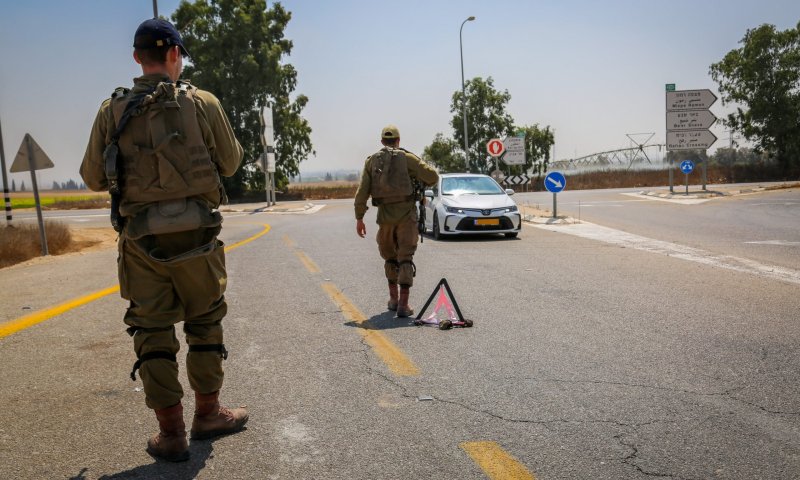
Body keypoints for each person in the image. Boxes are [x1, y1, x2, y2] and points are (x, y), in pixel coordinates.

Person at [80, 18, 247, 462]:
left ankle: (171, 434)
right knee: (205, 322)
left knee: (152, 330)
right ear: (175, 54)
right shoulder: (203, 102)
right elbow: (231, 163)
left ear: (137, 57)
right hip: (199, 239)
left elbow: (92, 177)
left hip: (140, 243)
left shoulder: (111, 111)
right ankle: (208, 414)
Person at [355, 125, 439, 317]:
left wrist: (359, 218)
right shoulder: (408, 158)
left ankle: (393, 299)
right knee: (405, 258)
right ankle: (403, 305)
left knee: (390, 258)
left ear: (382, 141)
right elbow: (433, 176)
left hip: (384, 219)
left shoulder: (371, 161)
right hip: (406, 218)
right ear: (398, 141)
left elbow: (362, 192)